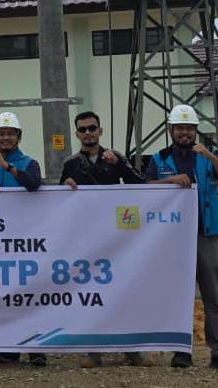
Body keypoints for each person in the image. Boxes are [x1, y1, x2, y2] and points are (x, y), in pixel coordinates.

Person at [145, 104, 218, 374]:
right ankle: (181, 350)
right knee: (178, 296)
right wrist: (170, 181)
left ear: (195, 131)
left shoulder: (206, 157)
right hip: (173, 238)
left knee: (213, 297)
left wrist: (209, 155)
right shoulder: (159, 159)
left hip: (205, 234)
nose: (184, 133)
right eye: (179, 128)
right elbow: (144, 186)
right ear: (171, 130)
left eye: (189, 128)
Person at [59, 111, 146, 369]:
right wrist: (65, 185)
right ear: (77, 133)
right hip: (86, 238)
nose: (88, 133)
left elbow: (139, 183)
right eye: (83, 129)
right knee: (90, 294)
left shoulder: (115, 157)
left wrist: (119, 164)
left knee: (122, 291)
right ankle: (93, 350)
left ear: (100, 130)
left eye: (92, 128)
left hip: (116, 237)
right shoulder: (71, 164)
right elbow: (59, 201)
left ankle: (132, 350)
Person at [0, 112, 46, 367]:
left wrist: (8, 167)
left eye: (10, 134)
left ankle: (36, 349)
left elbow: (34, 184)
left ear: (18, 137)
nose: (5, 138)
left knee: (29, 295)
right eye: (1, 134)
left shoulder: (29, 162)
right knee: (4, 295)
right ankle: (9, 348)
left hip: (26, 240)